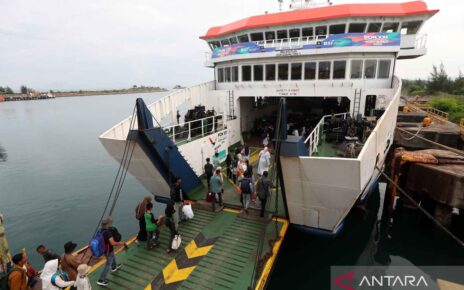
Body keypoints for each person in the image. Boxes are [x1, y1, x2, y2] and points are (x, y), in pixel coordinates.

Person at [96, 217, 127, 286]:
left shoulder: (100, 230)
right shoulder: (108, 233)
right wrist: (121, 243)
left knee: (112, 255)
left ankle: (114, 266)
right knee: (107, 265)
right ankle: (101, 279)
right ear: (107, 224)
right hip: (108, 250)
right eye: (109, 223)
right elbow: (112, 243)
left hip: (104, 249)